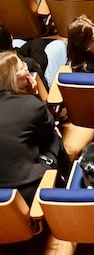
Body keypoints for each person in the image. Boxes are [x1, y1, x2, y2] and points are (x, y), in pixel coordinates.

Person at [0, 51, 67, 202]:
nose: (27, 69)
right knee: (54, 137)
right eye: (23, 67)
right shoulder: (31, 105)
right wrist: (34, 94)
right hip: (25, 189)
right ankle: (66, 186)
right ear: (14, 77)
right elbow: (48, 128)